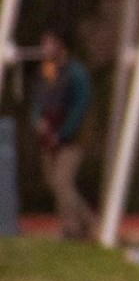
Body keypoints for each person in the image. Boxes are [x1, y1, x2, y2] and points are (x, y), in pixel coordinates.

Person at [32, 31, 97, 242]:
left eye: (49, 44)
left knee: (62, 181)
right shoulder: (47, 71)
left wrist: (62, 133)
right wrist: (38, 122)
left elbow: (80, 107)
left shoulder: (76, 73)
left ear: (60, 46)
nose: (45, 49)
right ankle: (90, 221)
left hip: (72, 139)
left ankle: (72, 230)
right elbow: (38, 103)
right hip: (49, 136)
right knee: (53, 182)